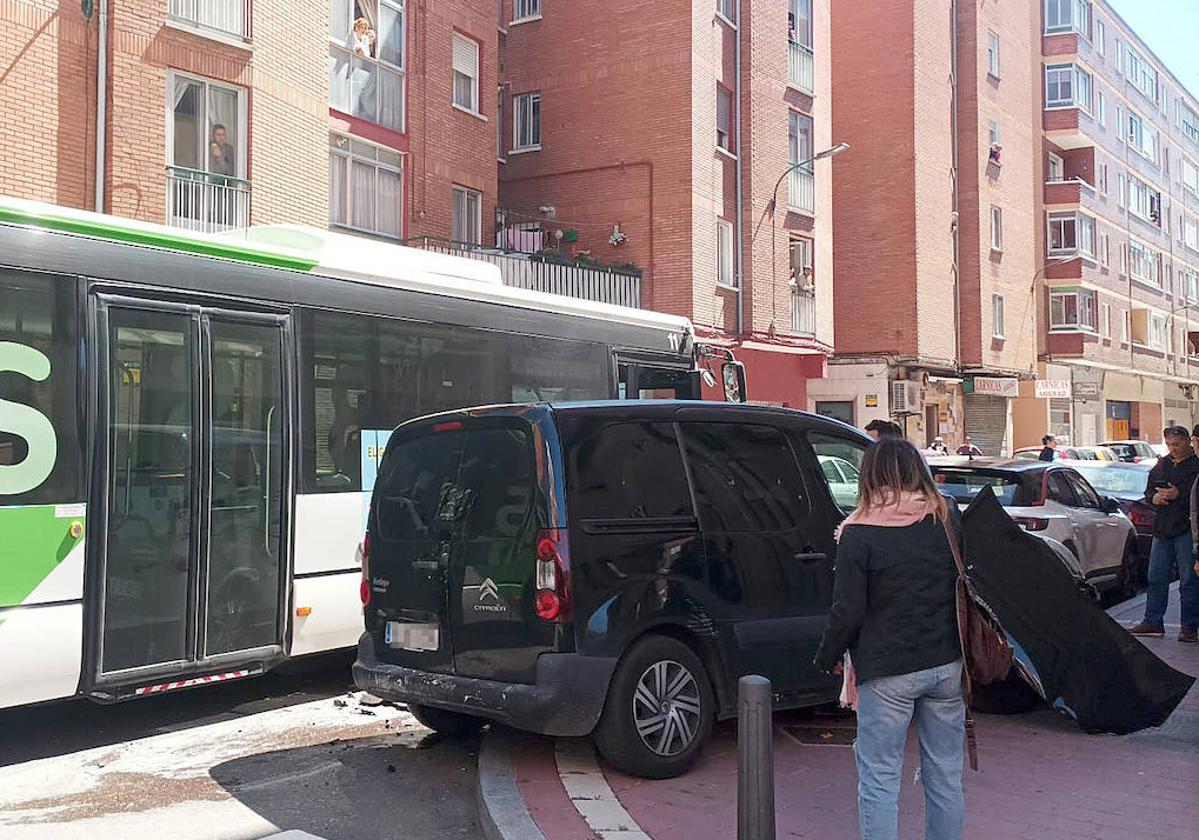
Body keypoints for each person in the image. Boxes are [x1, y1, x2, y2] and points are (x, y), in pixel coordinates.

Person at [815, 438, 965, 840]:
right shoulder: (945, 517)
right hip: (947, 662)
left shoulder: (859, 531)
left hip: (887, 671)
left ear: (870, 475)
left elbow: (847, 609)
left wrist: (827, 655)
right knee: (946, 777)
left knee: (880, 779)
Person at [1131, 426, 1199, 643]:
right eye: (1169, 444)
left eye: (1177, 444)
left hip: (1185, 527)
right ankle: (1152, 621)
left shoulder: (1195, 465)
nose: (1173, 449)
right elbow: (1149, 489)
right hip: (1162, 527)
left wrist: (1179, 494)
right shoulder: (1162, 464)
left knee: (1188, 579)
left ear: (1187, 442)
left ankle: (1189, 626)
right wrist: (1154, 498)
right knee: (1156, 576)